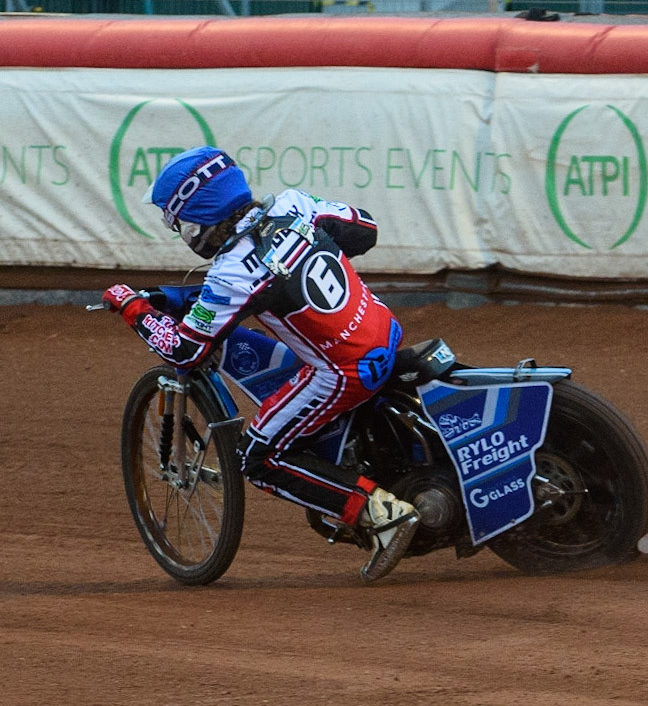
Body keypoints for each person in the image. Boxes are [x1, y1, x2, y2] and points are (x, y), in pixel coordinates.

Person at [101, 145, 419, 582]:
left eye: (181, 225)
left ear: (198, 220)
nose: (183, 234)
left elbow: (184, 350)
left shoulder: (233, 270)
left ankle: (381, 514)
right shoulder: (294, 205)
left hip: (342, 373)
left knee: (258, 456)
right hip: (384, 331)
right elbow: (364, 229)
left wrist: (132, 308)